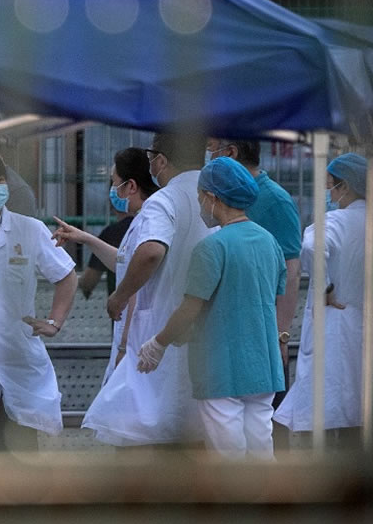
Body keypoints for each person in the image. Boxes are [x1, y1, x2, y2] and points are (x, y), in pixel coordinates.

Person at [136, 157, 285, 459]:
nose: (200, 204)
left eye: (200, 196)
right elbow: (265, 297)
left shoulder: (211, 248)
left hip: (221, 365)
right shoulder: (269, 242)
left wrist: (158, 343)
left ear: (212, 197)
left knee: (228, 457)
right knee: (261, 449)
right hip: (263, 362)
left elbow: (191, 307)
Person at [80, 132, 211, 447]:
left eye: (152, 157)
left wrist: (120, 295)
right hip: (199, 332)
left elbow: (151, 251)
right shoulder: (212, 199)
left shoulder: (164, 200)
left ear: (161, 160)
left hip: (159, 335)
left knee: (143, 432)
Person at [0, 150, 76, 451]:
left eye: (0, 180)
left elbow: (66, 275)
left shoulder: (29, 228)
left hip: (18, 355)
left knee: (20, 450)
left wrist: (55, 321)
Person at [274, 153, 368, 446]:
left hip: (335, 325)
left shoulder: (335, 221)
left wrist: (326, 286)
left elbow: (312, 248)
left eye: (332, 185)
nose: (329, 192)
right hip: (360, 324)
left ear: (346, 187)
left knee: (329, 407)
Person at [205, 139, 302, 399]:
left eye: (211, 149)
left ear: (231, 152)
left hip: (262, 332)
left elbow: (291, 272)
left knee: (263, 411)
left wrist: (280, 335)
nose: (208, 157)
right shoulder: (223, 197)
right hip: (230, 328)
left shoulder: (275, 200)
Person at [53, 147, 158, 380]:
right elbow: (124, 263)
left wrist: (123, 346)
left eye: (115, 183)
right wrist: (86, 238)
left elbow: (136, 282)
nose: (112, 191)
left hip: (136, 343)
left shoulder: (149, 222)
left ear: (131, 186)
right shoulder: (140, 221)